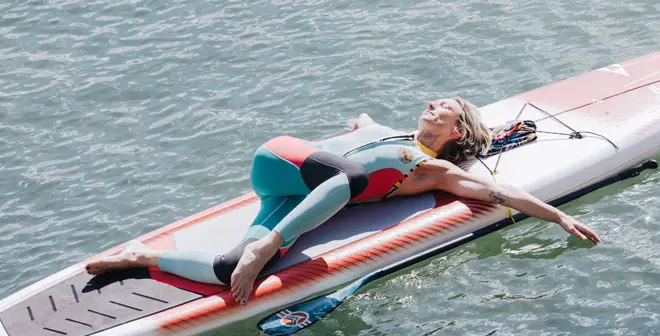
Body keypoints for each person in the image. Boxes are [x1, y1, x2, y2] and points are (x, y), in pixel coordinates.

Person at [86, 98, 600, 304]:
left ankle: (141, 257)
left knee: (226, 271)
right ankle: (267, 245)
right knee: (351, 174)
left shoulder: (430, 168)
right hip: (282, 158)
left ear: (456, 130)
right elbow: (360, 126)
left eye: (446, 107)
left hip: (288, 194)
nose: (433, 104)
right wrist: (360, 123)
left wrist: (557, 215)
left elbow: (497, 191)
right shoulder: (389, 134)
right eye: (434, 100)